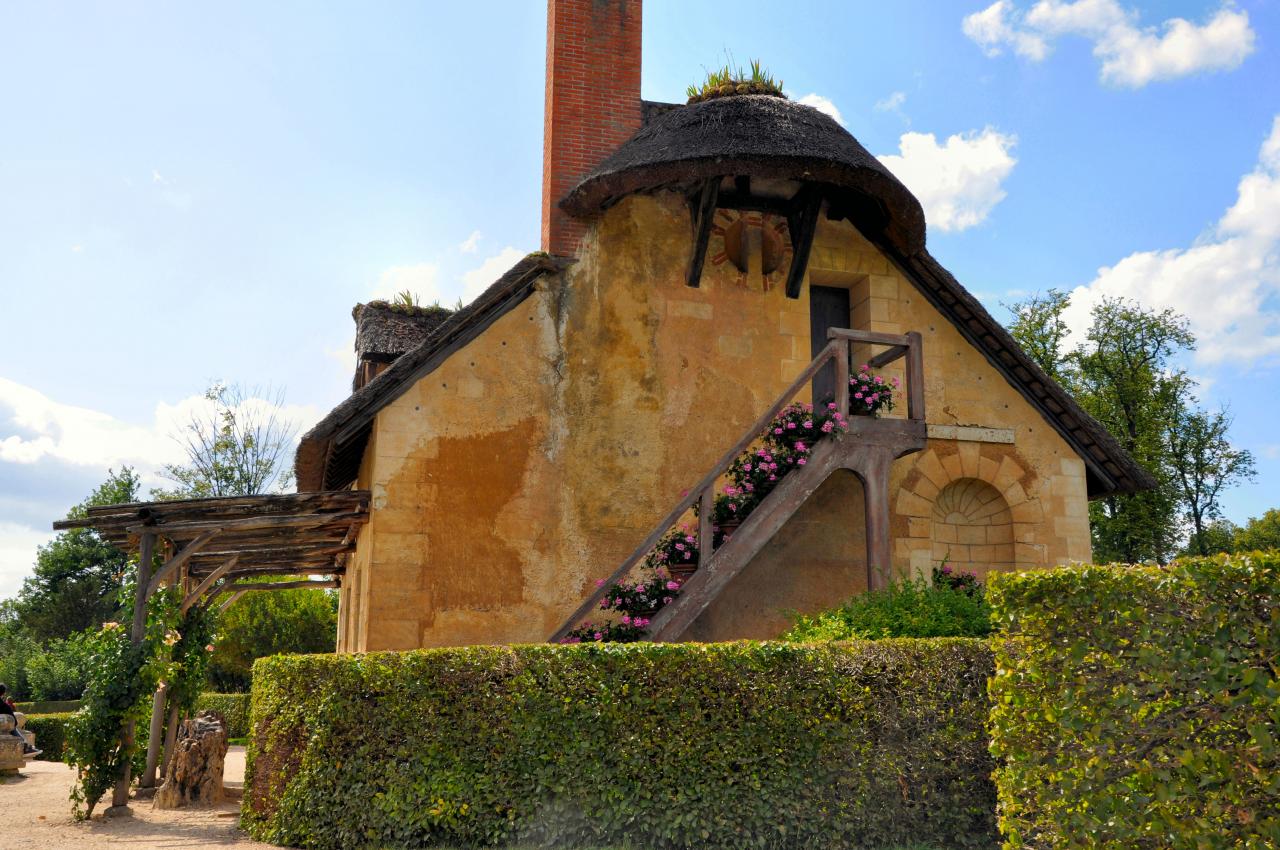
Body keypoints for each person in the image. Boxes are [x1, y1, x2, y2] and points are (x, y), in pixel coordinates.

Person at [0, 684, 40, 756]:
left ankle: (26, 746)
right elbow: (14, 722)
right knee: (13, 727)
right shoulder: (5, 706)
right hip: (4, 728)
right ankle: (25, 747)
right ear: (3, 693)